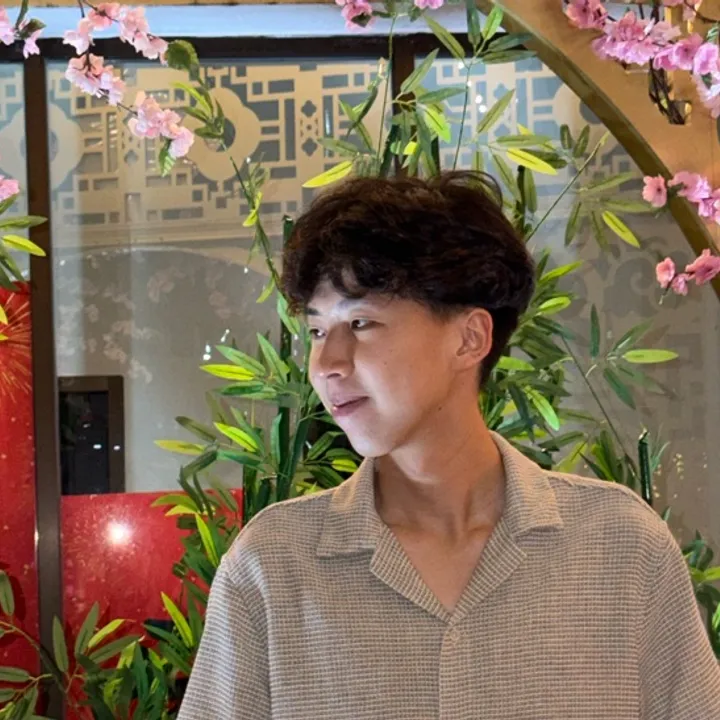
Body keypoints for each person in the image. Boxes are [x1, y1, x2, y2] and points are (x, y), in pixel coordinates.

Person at [178, 171, 720, 719]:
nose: (327, 364)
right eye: (317, 331)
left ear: (470, 338)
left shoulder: (622, 549)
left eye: (360, 323)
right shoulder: (273, 565)